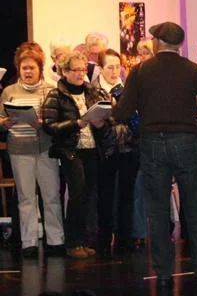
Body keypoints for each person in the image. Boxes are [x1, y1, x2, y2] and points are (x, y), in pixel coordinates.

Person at [113, 22, 197, 288]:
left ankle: (163, 273)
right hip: (186, 141)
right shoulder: (192, 69)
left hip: (153, 143)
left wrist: (116, 106)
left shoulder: (141, 70)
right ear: (179, 45)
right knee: (196, 207)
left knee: (158, 210)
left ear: (157, 42)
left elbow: (123, 112)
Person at [41, 51, 112, 259]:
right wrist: (76, 124)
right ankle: (73, 242)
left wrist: (101, 123)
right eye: (76, 70)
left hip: (92, 149)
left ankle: (86, 240)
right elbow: (49, 125)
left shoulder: (92, 92)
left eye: (83, 70)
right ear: (64, 71)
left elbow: (106, 119)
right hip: (71, 151)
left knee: (90, 195)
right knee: (77, 195)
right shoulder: (56, 94)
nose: (81, 74)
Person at [0, 42, 64, 258]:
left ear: (39, 69)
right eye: (24, 68)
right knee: (26, 197)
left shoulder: (50, 90)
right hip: (19, 150)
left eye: (32, 68)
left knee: (51, 196)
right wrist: (4, 123)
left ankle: (56, 240)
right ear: (18, 69)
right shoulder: (9, 91)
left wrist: (44, 124)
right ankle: (29, 242)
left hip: (45, 148)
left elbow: (58, 120)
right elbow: (0, 118)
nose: (27, 72)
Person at [91, 49, 139, 256]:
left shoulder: (127, 88)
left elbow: (134, 118)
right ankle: (103, 239)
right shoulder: (93, 90)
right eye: (109, 67)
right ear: (100, 69)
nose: (114, 71)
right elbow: (96, 121)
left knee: (127, 195)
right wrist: (116, 116)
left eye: (117, 67)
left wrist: (117, 114)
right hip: (105, 149)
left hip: (128, 147)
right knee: (105, 196)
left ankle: (124, 240)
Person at [131, 38, 154, 249]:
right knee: (139, 187)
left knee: (160, 188)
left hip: (160, 139)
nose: (143, 57)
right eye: (141, 53)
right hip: (140, 140)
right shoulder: (135, 76)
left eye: (147, 53)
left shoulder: (164, 77)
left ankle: (162, 229)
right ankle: (139, 232)